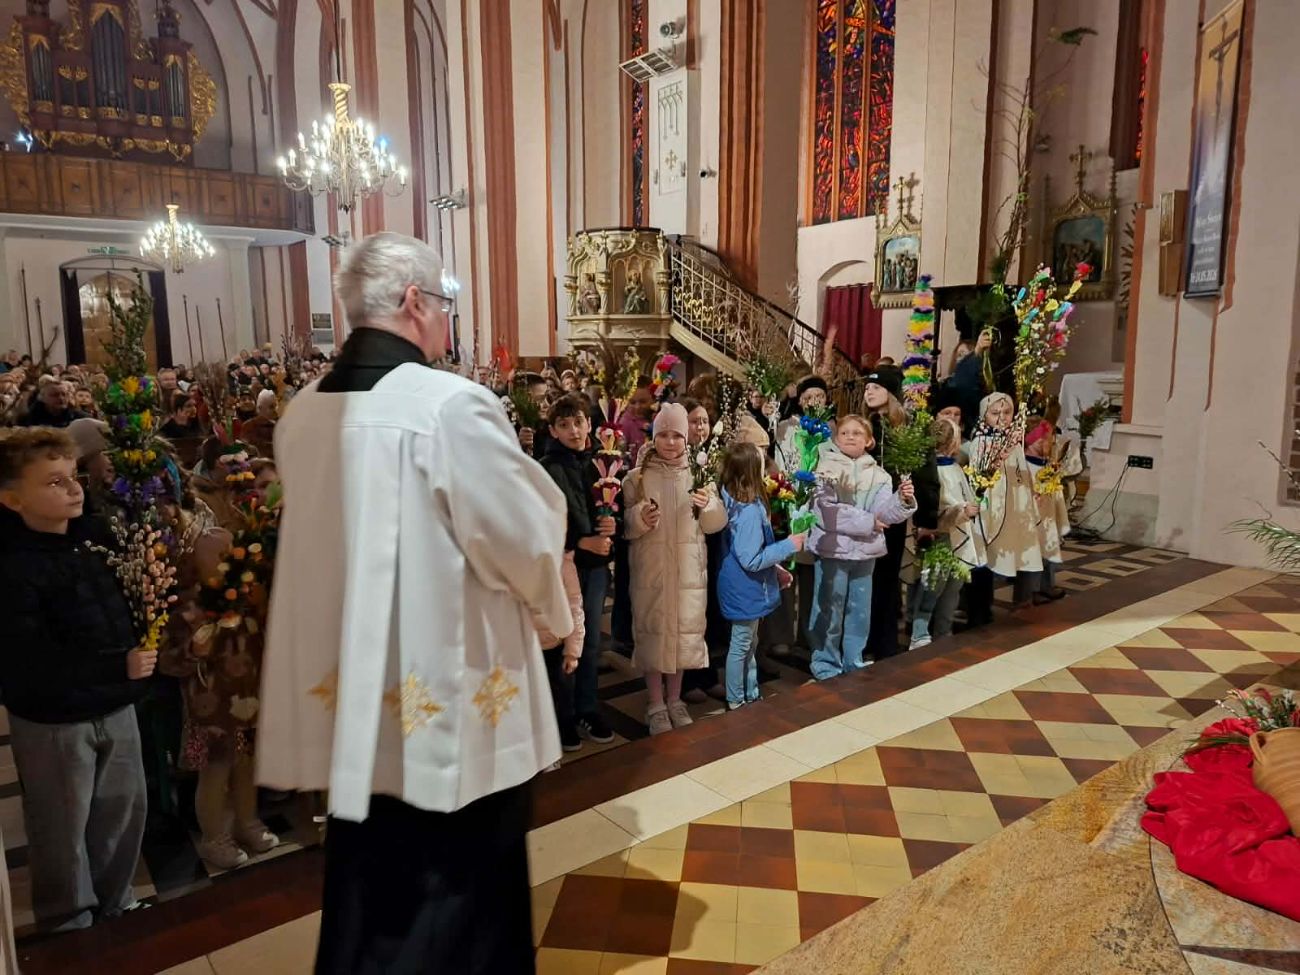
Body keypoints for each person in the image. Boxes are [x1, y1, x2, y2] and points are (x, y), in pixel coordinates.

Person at [257, 232, 573, 975]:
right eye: (445, 304)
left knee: (369, 889)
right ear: (413, 302)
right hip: (450, 708)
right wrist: (557, 617)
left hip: (354, 713)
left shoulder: (301, 414)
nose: (447, 320)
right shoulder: (448, 407)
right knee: (460, 908)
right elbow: (525, 540)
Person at [0, 428, 152, 932]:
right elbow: (28, 656)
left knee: (121, 812)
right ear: (11, 497)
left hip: (115, 702)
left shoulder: (96, 535)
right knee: (62, 825)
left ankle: (116, 903)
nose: (73, 488)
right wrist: (117, 666)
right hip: (54, 718)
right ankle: (68, 924)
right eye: (53, 481)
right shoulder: (11, 563)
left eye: (73, 476)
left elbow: (121, 608)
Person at [623, 403, 727, 733]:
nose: (670, 442)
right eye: (663, 435)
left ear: (686, 439)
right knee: (654, 635)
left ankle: (676, 698)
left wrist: (708, 505)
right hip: (652, 572)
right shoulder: (637, 478)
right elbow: (624, 524)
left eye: (676, 436)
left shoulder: (699, 476)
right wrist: (639, 518)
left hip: (688, 573)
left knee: (683, 636)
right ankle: (655, 703)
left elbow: (715, 524)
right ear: (654, 437)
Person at [808, 415, 916, 679]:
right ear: (836, 439)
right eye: (844, 432)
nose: (850, 436)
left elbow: (884, 513)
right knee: (829, 608)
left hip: (866, 552)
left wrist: (902, 500)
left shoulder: (879, 474)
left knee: (859, 609)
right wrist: (868, 521)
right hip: (833, 549)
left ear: (869, 440)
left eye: (857, 432)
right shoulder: (825, 468)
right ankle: (825, 662)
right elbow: (826, 512)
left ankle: (853, 658)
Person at [537, 393, 617, 749]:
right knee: (564, 635)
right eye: (565, 425)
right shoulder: (547, 468)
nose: (574, 430)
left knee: (591, 641)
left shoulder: (600, 462)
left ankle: (588, 706)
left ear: (590, 424)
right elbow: (544, 519)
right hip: (565, 564)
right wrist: (580, 541)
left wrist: (612, 525)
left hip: (596, 566)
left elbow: (611, 504)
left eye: (580, 422)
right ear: (553, 430)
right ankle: (562, 716)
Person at [717, 443, 802, 709]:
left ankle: (749, 692)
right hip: (746, 588)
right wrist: (789, 545)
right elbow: (752, 559)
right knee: (742, 644)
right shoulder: (749, 512)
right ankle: (736, 698)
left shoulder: (732, 501)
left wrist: (775, 569)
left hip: (740, 585)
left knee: (748, 643)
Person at [906, 417, 985, 648]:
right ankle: (919, 632)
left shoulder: (955, 467)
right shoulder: (930, 470)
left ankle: (944, 630)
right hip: (940, 537)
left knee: (953, 586)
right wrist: (961, 510)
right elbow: (935, 509)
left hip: (959, 535)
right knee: (932, 584)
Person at [862, 367, 911, 660]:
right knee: (865, 578)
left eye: (876, 387)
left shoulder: (903, 428)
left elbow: (921, 472)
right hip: (863, 512)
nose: (869, 391)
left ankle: (885, 641)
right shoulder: (863, 425)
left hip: (892, 512)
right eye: (867, 387)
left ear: (891, 393)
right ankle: (865, 638)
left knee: (886, 577)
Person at [20, 376, 88, 428]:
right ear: (42, 398)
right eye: (55, 395)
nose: (61, 398)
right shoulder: (28, 419)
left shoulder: (80, 418)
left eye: (64, 394)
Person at [240, 389, 278, 460]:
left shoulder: (277, 426)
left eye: (276, 406)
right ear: (260, 408)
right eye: (271, 407)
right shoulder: (249, 426)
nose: (275, 410)